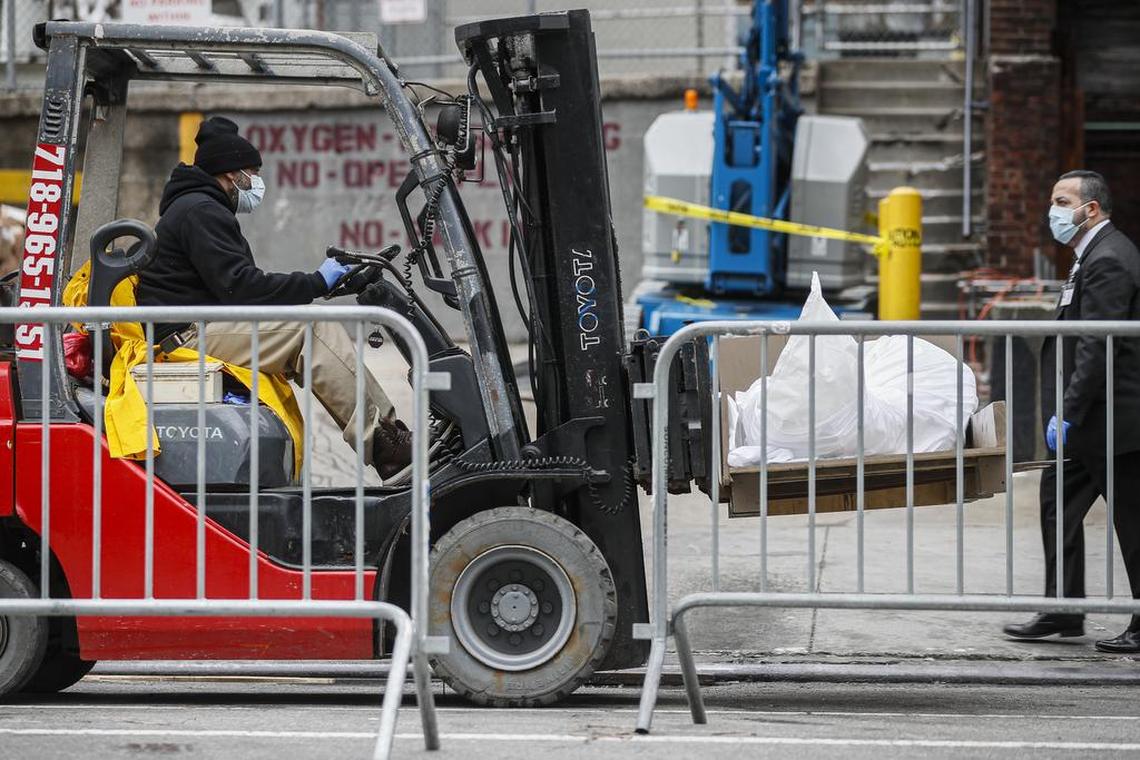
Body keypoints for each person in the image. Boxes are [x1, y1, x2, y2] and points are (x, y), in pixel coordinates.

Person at [135, 116, 412, 480]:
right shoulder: (201, 211)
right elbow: (241, 287)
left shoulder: (199, 208)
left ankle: (391, 436)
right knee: (310, 333)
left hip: (199, 327)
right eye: (251, 172)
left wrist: (319, 284)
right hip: (186, 336)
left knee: (306, 328)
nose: (256, 183)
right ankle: (387, 447)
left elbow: (240, 287)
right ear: (231, 174)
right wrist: (315, 282)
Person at [1003, 170, 1140, 653]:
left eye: (1062, 202)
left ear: (1091, 210)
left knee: (1132, 520)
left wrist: (1069, 411)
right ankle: (1063, 609)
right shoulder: (1090, 258)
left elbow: (1095, 345)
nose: (1053, 211)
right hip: (1090, 421)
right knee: (1056, 504)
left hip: (1113, 420)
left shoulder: (1110, 259)